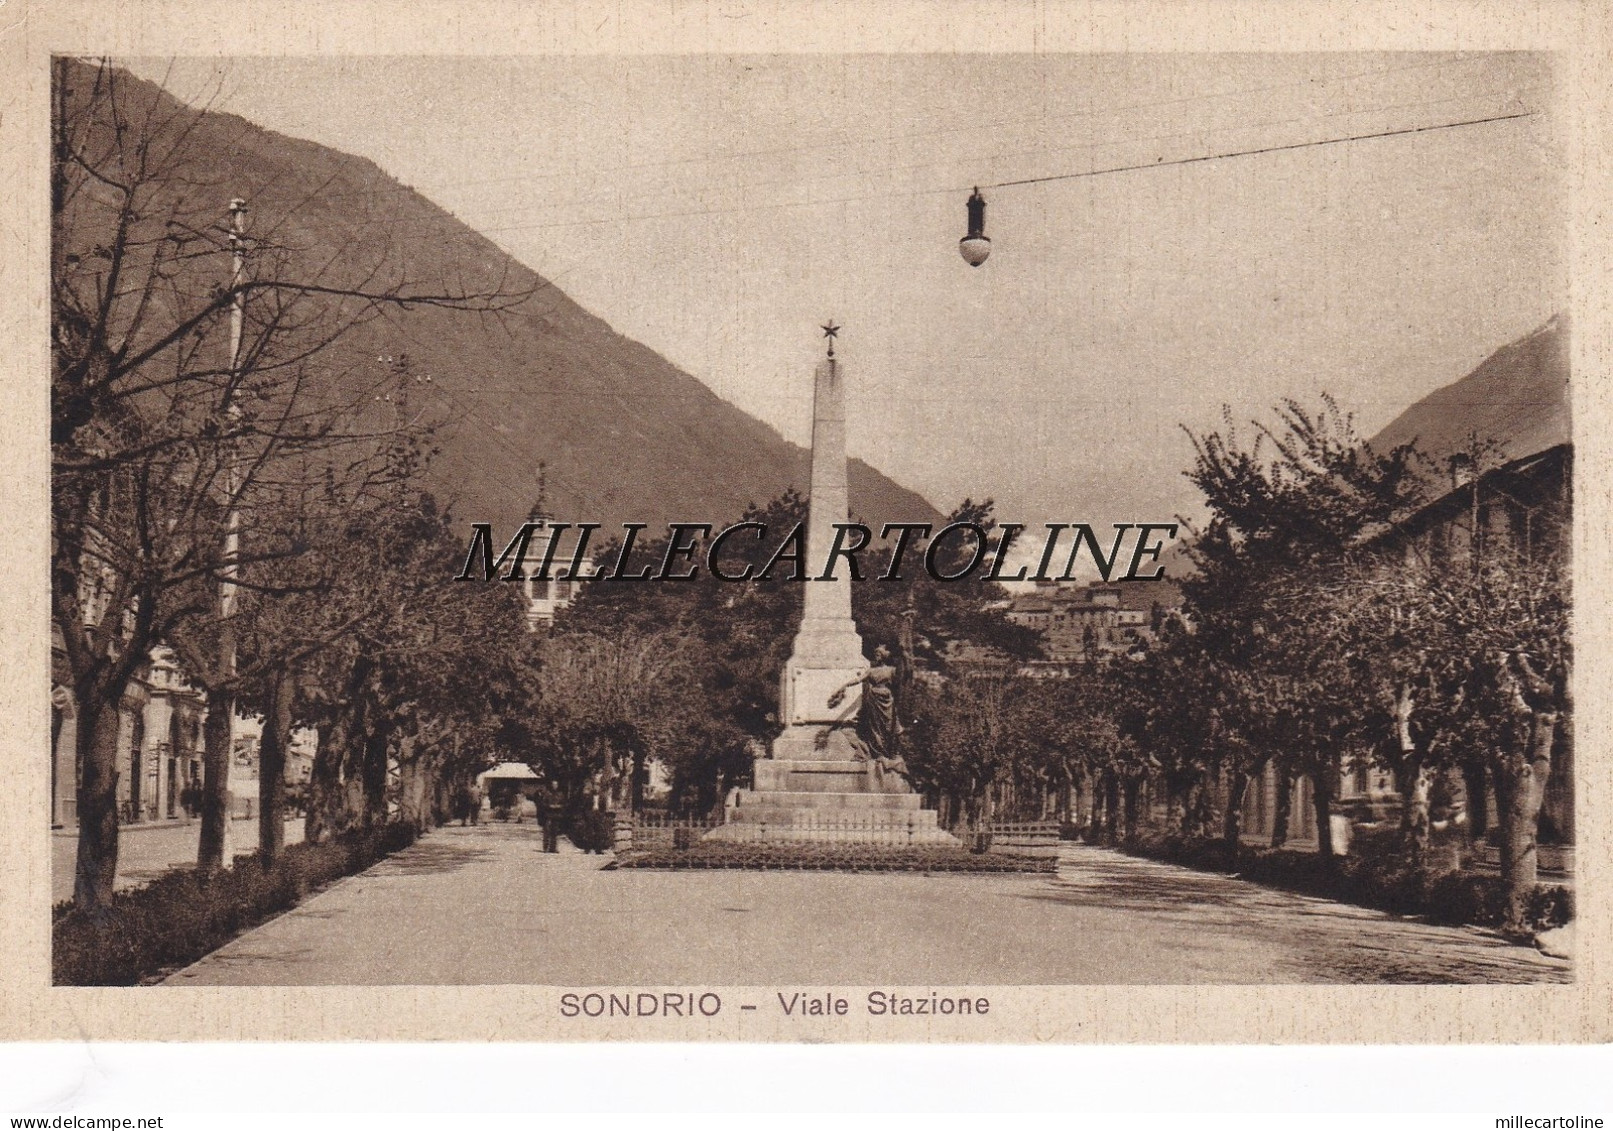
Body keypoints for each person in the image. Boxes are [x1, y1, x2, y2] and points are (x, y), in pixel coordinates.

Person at [826, 646, 909, 791]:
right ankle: (877, 752)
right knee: (875, 728)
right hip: (873, 702)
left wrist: (906, 657)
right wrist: (845, 685)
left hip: (887, 702)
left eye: (879, 654)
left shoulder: (892, 670)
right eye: (875, 653)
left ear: (884, 656)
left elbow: (903, 677)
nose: (876, 656)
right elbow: (858, 679)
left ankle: (887, 753)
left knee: (888, 728)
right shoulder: (871, 671)